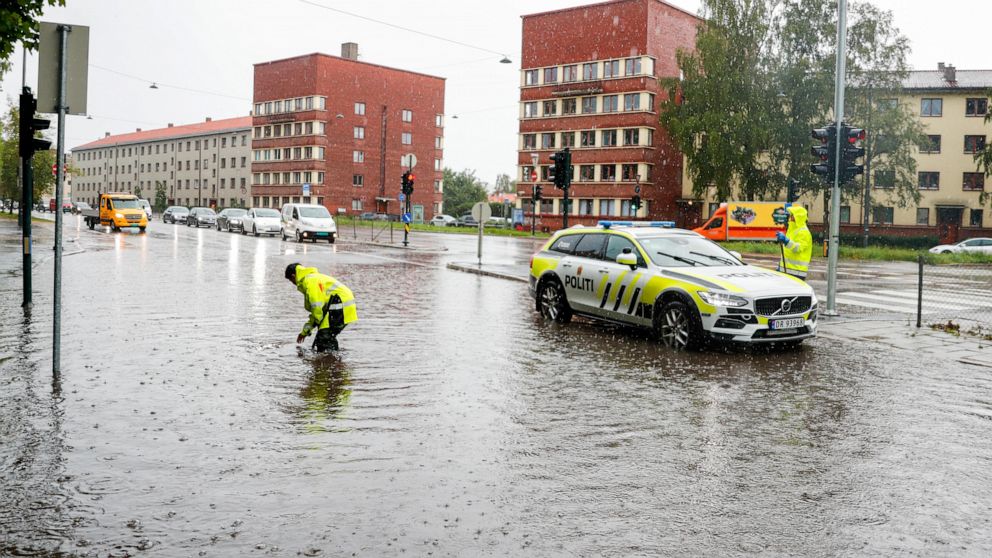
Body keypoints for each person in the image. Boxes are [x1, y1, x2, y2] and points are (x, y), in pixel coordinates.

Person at [285, 263, 357, 351]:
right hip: (340, 305)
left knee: (324, 337)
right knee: (326, 336)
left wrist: (312, 327)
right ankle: (333, 357)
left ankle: (330, 357)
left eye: (291, 281)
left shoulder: (310, 281)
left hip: (339, 305)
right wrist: (305, 332)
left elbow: (317, 309)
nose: (293, 283)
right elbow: (317, 312)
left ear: (293, 276)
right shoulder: (311, 278)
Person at [775, 205, 812, 281]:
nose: (790, 217)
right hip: (787, 269)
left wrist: (786, 241)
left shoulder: (804, 232)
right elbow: (788, 251)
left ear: (797, 217)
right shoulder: (792, 229)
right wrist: (780, 265)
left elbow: (797, 248)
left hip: (797, 272)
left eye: (792, 215)